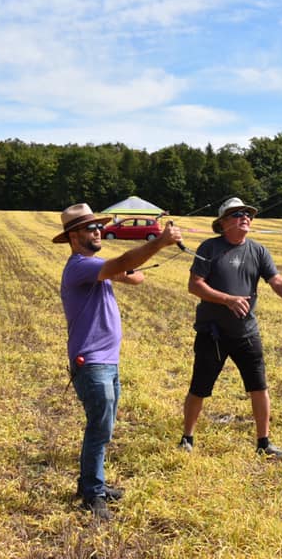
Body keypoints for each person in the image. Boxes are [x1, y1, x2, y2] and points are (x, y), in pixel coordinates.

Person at [54, 202, 182, 520]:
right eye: (90, 228)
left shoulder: (94, 266)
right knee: (99, 429)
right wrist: (160, 242)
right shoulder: (79, 266)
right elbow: (125, 261)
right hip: (92, 362)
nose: (98, 231)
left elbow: (134, 276)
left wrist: (129, 269)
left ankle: (91, 483)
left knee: (104, 428)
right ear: (73, 236)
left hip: (107, 361)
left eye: (98, 226)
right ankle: (92, 494)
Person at [179, 197, 282, 460]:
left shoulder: (258, 251)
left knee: (259, 386)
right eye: (237, 214)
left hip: (246, 332)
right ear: (223, 223)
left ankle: (264, 442)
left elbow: (276, 280)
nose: (245, 217)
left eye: (248, 214)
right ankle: (187, 438)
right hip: (212, 332)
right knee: (200, 387)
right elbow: (195, 285)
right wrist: (227, 299)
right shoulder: (210, 248)